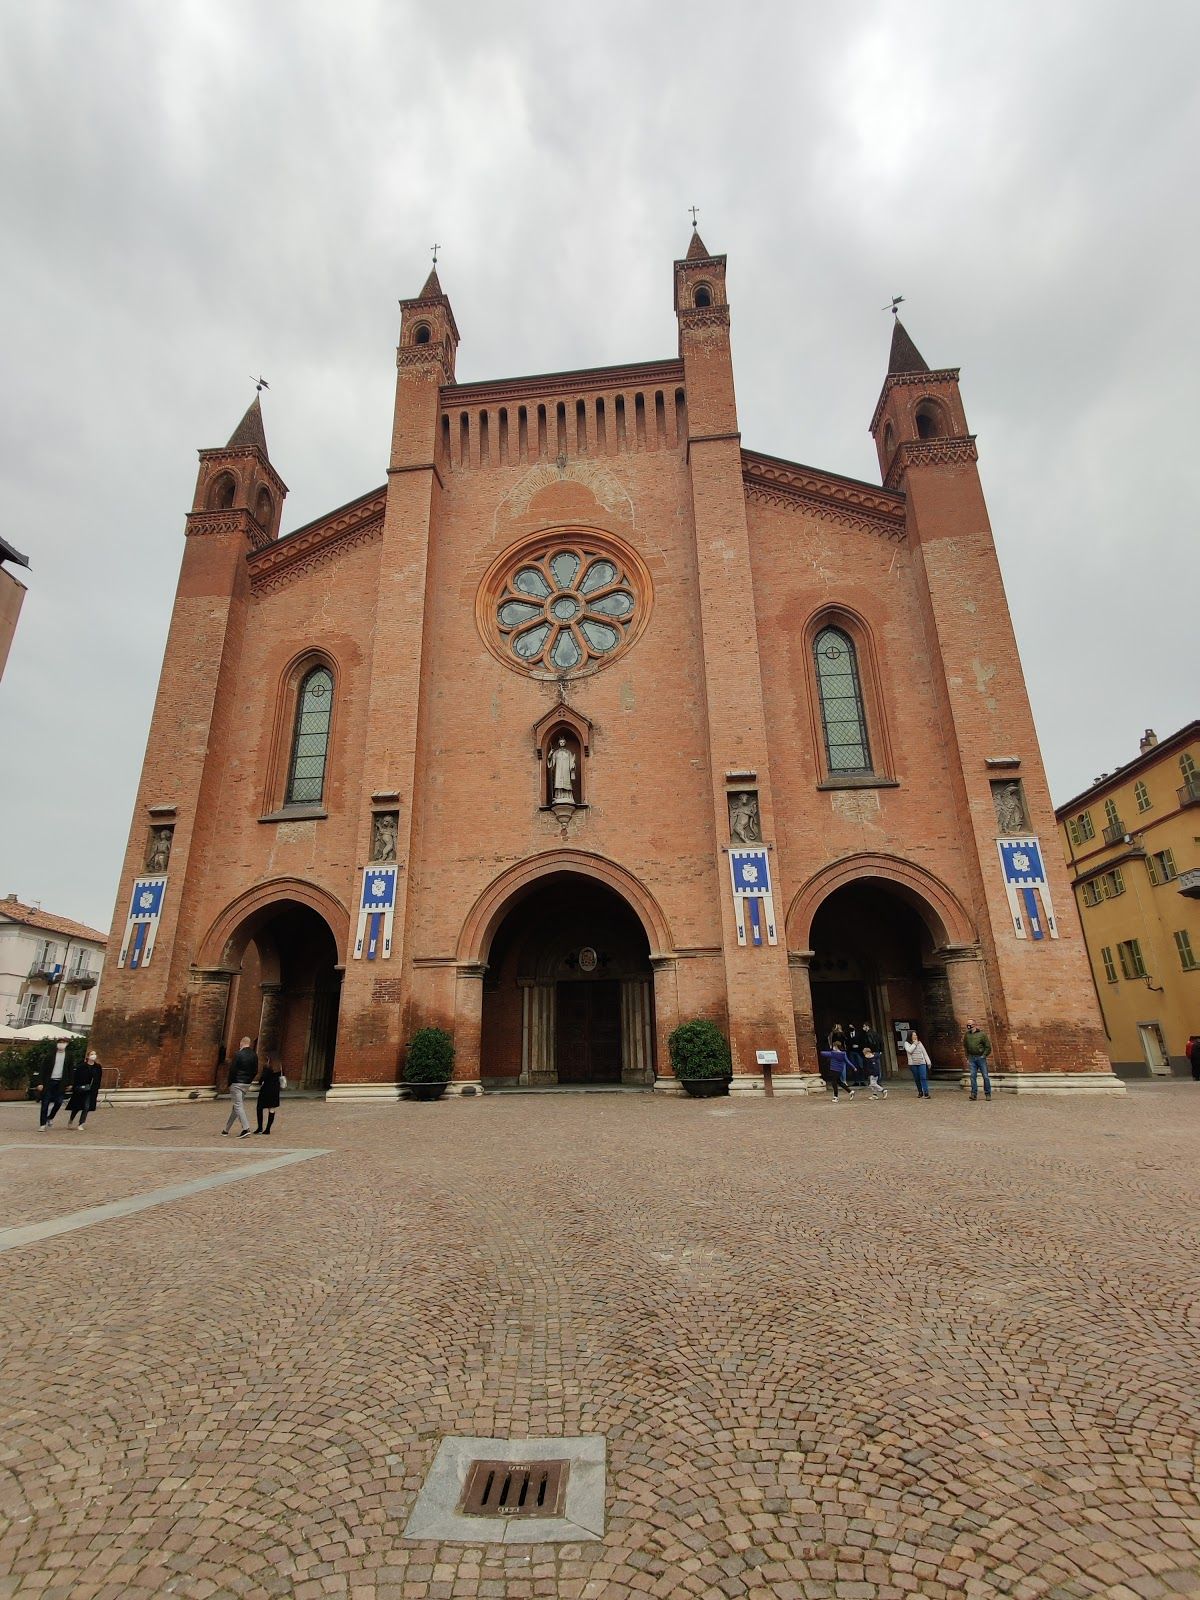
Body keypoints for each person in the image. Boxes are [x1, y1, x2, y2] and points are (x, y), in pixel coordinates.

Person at [222, 1036, 257, 1136]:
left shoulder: (238, 1054)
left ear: (241, 1043)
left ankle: (246, 1128)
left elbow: (233, 1070)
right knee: (237, 1106)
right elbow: (255, 1070)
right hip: (246, 1083)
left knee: (238, 1105)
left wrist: (229, 1083)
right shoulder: (254, 1055)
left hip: (237, 1082)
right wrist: (249, 1080)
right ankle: (226, 1129)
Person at [38, 1039, 71, 1129]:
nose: (61, 1045)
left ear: (67, 1044)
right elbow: (43, 1069)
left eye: (63, 1043)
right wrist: (40, 1082)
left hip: (61, 1082)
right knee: (45, 1103)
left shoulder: (68, 1056)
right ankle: (42, 1124)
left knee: (59, 1102)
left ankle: (50, 1117)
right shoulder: (50, 1055)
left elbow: (70, 1070)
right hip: (49, 1081)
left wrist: (70, 1083)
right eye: (60, 1043)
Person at [66, 1051, 103, 1129]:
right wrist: (76, 1087)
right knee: (77, 1107)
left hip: (91, 1089)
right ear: (88, 1056)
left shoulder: (97, 1067)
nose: (94, 1056)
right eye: (92, 1054)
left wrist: (96, 1088)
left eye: (95, 1054)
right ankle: (71, 1119)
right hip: (81, 1089)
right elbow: (76, 1077)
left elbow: (98, 1078)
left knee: (86, 1106)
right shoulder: (81, 1066)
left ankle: (81, 1123)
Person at [963, 1020, 993, 1101]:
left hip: (980, 1058)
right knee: (972, 1076)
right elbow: (965, 1046)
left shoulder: (982, 1034)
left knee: (985, 1076)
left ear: (974, 1025)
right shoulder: (967, 1035)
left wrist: (984, 1055)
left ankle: (988, 1094)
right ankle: (973, 1094)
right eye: (967, 1024)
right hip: (972, 1058)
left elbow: (988, 1046)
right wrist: (967, 1057)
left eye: (969, 1024)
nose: (968, 1026)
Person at [899, 1029, 932, 1098]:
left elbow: (924, 1053)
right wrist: (914, 1044)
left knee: (923, 1077)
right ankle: (920, 1092)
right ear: (910, 1036)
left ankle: (926, 1092)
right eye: (914, 1035)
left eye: (916, 1035)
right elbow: (909, 1050)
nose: (915, 1036)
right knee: (917, 1078)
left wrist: (928, 1062)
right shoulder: (906, 1043)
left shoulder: (919, 1043)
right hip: (913, 1064)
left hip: (922, 1062)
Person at [255, 1058, 283, 1135]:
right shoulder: (279, 1066)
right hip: (275, 1089)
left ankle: (260, 1127)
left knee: (259, 1107)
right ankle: (268, 1129)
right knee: (271, 1108)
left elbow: (263, 1077)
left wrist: (260, 1082)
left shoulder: (267, 1066)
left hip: (266, 1089)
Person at [860, 1022, 888, 1099]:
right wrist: (881, 1051)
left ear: (867, 1027)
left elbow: (871, 1043)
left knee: (873, 1074)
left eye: (864, 1026)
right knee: (874, 1074)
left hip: (872, 1053)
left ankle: (882, 1090)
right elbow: (881, 1042)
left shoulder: (868, 1034)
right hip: (876, 1052)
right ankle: (874, 1094)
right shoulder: (876, 1034)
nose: (863, 1028)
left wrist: (869, 1051)